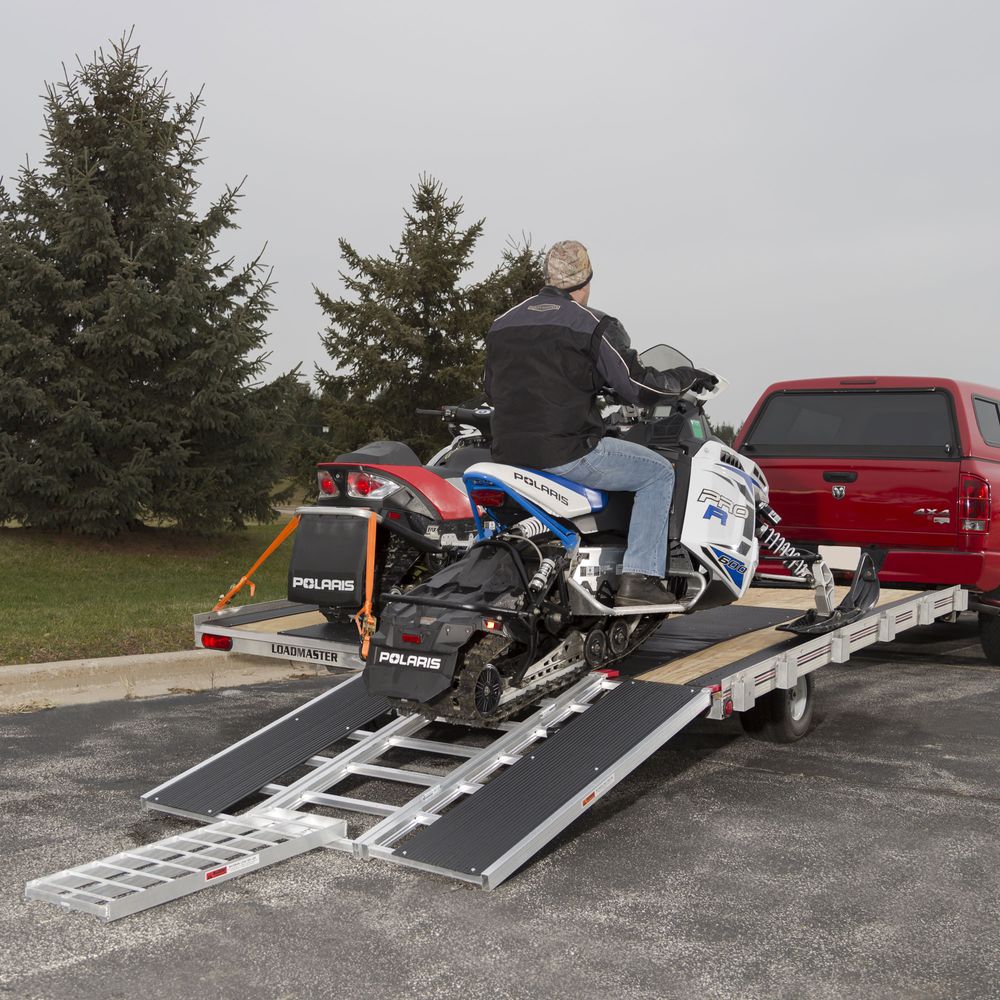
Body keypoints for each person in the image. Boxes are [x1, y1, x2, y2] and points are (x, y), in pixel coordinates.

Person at [484, 240, 715, 607]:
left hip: (507, 453)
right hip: (566, 451)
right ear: (586, 280)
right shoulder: (589, 324)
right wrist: (687, 376)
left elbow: (491, 390)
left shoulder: (503, 323)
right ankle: (640, 579)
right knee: (658, 472)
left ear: (548, 277)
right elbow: (637, 386)